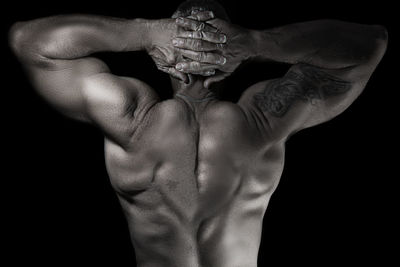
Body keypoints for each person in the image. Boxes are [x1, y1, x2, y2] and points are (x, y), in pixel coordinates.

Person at [9, 0, 387, 266]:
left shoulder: (131, 119)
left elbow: (32, 42)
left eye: (210, 37)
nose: (198, 44)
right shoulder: (264, 119)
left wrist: (252, 42)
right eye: (188, 35)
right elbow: (365, 48)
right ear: (167, 48)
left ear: (232, 53)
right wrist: (147, 31)